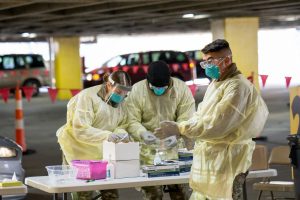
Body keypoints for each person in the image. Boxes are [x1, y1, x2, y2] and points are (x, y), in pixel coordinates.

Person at [156, 39, 269, 200]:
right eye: (204, 62)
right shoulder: (216, 84)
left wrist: (181, 129)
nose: (207, 67)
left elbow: (218, 124)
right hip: (211, 160)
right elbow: (201, 115)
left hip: (229, 160)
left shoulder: (237, 87)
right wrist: (184, 132)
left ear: (227, 60)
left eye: (210, 61)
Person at [56, 70, 132, 200]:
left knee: (111, 194)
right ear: (109, 85)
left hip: (101, 150)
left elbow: (122, 123)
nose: (122, 96)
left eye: (125, 93)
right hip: (78, 149)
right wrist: (107, 136)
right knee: (83, 195)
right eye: (119, 92)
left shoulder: (122, 101)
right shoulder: (88, 97)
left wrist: (122, 135)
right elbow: (80, 129)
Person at [127, 60, 195, 200]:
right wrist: (142, 133)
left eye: (163, 88)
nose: (159, 91)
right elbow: (131, 120)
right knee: (153, 195)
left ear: (169, 81)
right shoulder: (137, 90)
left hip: (175, 149)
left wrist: (176, 133)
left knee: (180, 193)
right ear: (147, 81)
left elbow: (187, 118)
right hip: (147, 150)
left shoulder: (181, 89)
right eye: (154, 88)